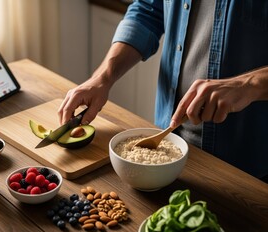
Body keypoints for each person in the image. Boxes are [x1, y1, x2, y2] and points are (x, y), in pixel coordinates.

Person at [58, 0, 268, 181]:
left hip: (247, 166)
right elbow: (149, 10)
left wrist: (249, 84)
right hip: (166, 143)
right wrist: (102, 77)